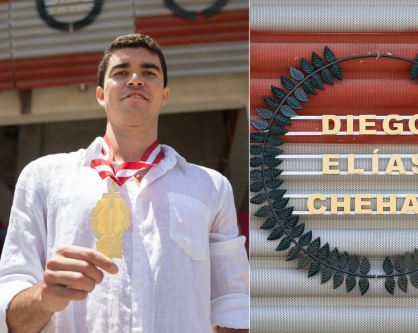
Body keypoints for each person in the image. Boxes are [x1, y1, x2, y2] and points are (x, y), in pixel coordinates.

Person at [0, 34, 249, 333]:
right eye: (120, 73)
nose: (135, 80)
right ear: (100, 94)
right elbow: (10, 314)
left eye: (149, 72)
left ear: (165, 95)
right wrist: (44, 297)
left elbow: (233, 300)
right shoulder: (43, 178)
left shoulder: (211, 187)